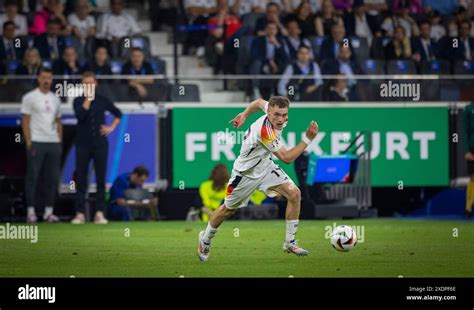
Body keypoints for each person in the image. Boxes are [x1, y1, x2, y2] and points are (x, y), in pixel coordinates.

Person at [197, 96, 319, 262]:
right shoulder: (265, 131)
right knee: (228, 210)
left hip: (265, 166)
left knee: (294, 194)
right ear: (269, 112)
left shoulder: (272, 111)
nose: (280, 119)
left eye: (284, 115)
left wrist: (244, 115)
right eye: (276, 115)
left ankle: (290, 242)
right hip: (245, 174)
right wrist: (307, 139)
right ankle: (205, 239)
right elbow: (286, 158)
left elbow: (258, 102)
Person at [71, 71, 122, 224]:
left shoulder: (102, 100)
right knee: (81, 178)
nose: (89, 86)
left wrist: (111, 127)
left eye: (91, 83)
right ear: (82, 85)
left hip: (100, 144)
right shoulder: (78, 100)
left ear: (96, 84)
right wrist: (88, 99)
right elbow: (81, 115)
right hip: (82, 144)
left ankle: (100, 212)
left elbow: (118, 113)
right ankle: (80, 213)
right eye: (86, 83)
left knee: (100, 179)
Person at [20, 68, 63, 223]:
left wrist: (59, 140)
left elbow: (58, 121)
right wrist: (29, 141)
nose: (47, 80)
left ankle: (48, 212)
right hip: (37, 141)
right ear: (38, 79)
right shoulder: (30, 97)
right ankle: (31, 212)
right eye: (44, 77)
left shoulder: (55, 98)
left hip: (52, 142)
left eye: (49, 78)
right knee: (33, 177)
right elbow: (25, 120)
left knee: (52, 178)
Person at [199, 163, 267, 222]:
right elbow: (206, 204)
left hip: (225, 212)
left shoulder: (205, 185)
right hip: (220, 213)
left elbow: (207, 202)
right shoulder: (206, 185)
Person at [463, 101, 474, 218]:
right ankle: (468, 207)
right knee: (472, 177)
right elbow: (465, 131)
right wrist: (467, 150)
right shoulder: (469, 109)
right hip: (472, 147)